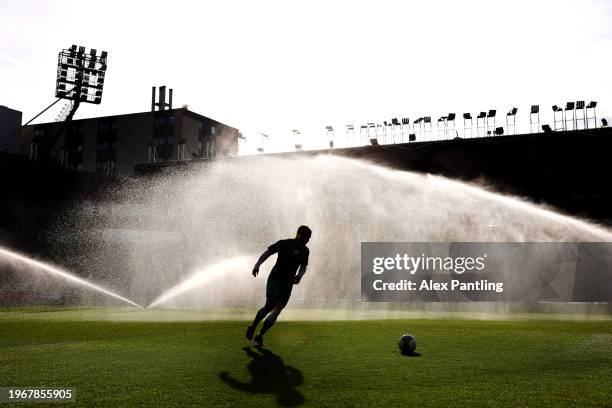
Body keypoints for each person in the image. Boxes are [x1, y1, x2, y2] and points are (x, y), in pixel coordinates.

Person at [246, 225, 312, 347]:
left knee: (277, 310)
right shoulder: (284, 243)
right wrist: (257, 265)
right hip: (275, 279)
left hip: (288, 284)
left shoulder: (305, 251)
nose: (307, 241)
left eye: (309, 239)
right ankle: (253, 326)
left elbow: (303, 267)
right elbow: (268, 252)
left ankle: (259, 335)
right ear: (299, 235)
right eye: (306, 238)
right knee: (270, 305)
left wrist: (299, 276)